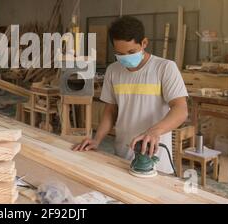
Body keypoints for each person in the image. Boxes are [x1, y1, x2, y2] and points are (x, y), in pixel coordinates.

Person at [73, 16, 188, 174]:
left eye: (131, 52)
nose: (126, 57)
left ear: (144, 43)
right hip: (121, 157)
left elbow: (180, 110)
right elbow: (110, 111)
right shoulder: (113, 70)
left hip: (155, 161)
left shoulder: (165, 68)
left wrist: (154, 131)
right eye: (120, 54)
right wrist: (96, 139)